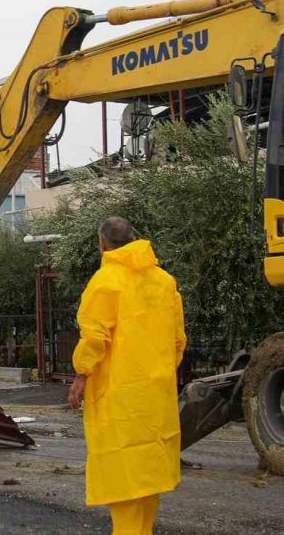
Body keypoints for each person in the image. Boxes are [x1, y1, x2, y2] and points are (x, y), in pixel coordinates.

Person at [67, 216, 186, 535]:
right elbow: (178, 341)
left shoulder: (106, 282)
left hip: (120, 400)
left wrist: (81, 375)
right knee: (148, 481)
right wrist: (156, 373)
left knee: (125, 485)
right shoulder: (164, 281)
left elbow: (94, 338)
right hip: (156, 398)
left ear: (102, 243)